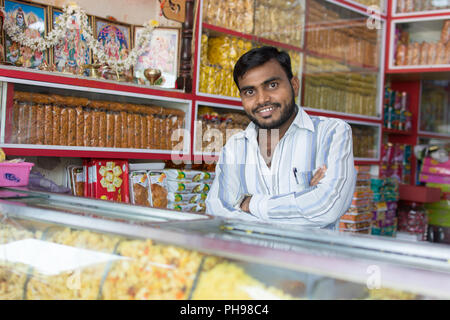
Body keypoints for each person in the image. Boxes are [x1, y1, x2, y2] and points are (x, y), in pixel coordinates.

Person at [205, 46, 356, 229]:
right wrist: (303, 202)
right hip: (250, 257)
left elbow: (327, 206)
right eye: (250, 92)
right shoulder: (235, 147)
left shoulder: (330, 133)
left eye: (272, 85)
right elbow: (217, 210)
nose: (262, 100)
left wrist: (250, 204)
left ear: (294, 85)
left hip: (307, 258)